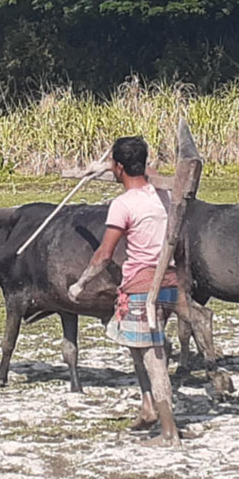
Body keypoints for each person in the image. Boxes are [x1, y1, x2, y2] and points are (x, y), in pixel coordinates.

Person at [68, 136, 181, 448]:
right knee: (139, 346)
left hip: (142, 289)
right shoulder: (164, 196)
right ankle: (148, 408)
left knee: (152, 357)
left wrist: (80, 285)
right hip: (168, 283)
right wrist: (102, 165)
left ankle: (169, 433)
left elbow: (104, 255)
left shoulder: (122, 205)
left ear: (118, 168)